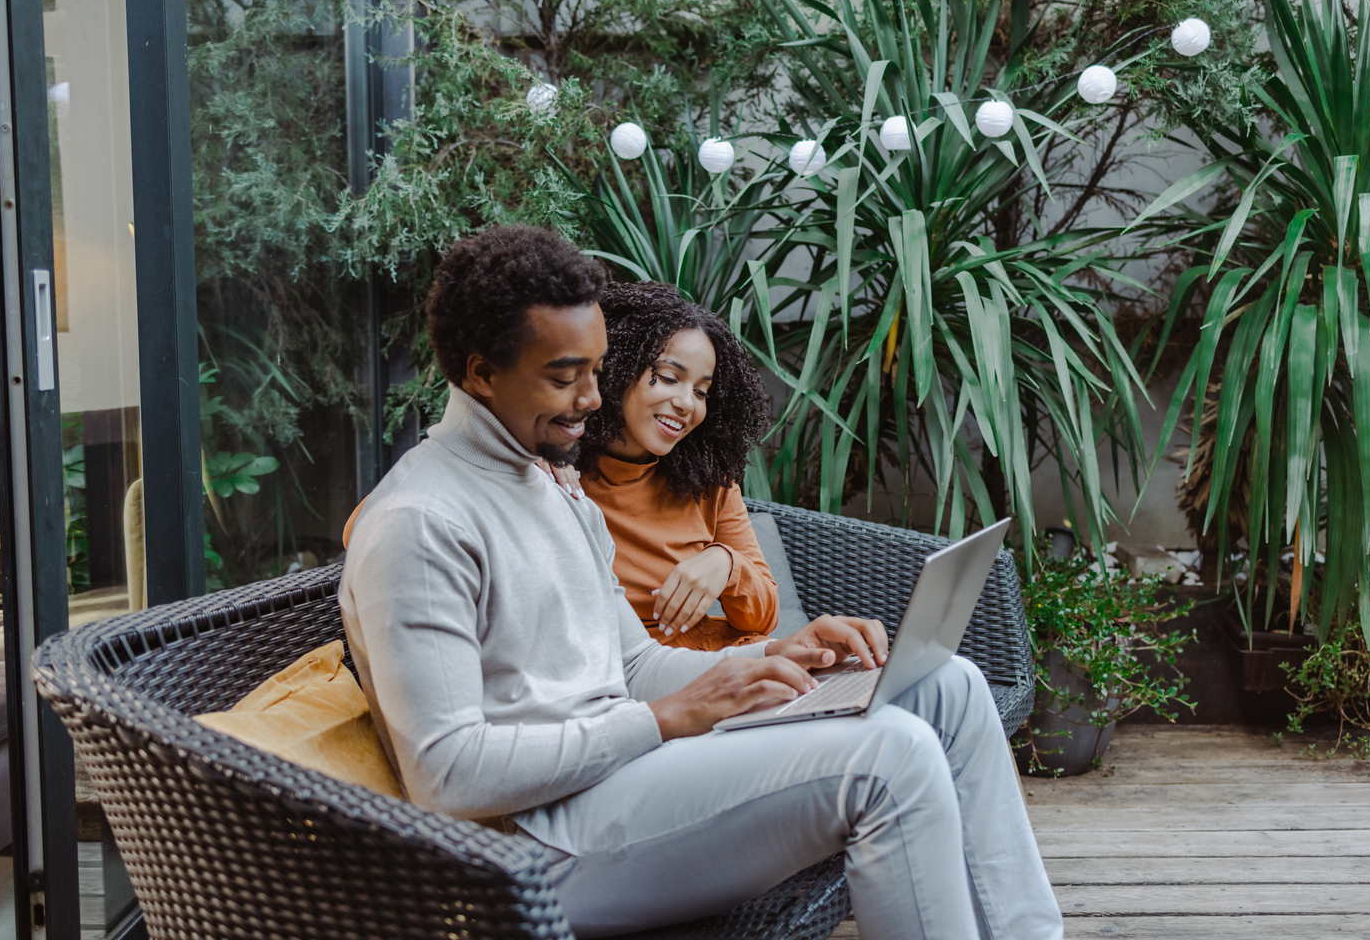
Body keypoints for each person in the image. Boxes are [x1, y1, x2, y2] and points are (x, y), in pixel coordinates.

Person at [340, 225, 1063, 940]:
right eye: (565, 377)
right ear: (480, 373)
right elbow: (447, 774)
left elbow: (632, 665)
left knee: (948, 686)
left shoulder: (550, 482)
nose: (592, 397)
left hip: (623, 774)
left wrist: (774, 655)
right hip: (537, 842)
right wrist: (667, 719)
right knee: (890, 755)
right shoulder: (422, 522)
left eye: (597, 370)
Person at [573, 281, 777, 650]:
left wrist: (725, 564)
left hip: (715, 660)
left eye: (701, 391)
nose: (687, 404)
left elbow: (763, 617)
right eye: (669, 378)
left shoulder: (708, 481)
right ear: (616, 369)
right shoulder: (558, 472)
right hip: (621, 670)